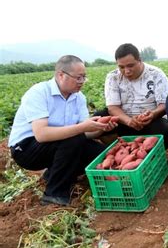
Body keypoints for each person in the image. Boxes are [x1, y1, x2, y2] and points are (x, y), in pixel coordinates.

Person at [8, 55, 117, 206]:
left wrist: (100, 129)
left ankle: (52, 173)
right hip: (26, 149)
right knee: (74, 139)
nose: (82, 82)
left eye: (84, 77)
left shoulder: (79, 97)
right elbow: (41, 135)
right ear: (61, 75)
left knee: (99, 153)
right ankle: (54, 195)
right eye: (78, 78)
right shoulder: (39, 92)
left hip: (59, 144)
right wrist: (82, 128)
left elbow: (86, 133)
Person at [99, 43, 168, 149]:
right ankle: (120, 147)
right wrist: (128, 121)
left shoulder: (156, 74)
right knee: (99, 118)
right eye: (121, 67)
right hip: (124, 122)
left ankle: (150, 150)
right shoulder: (113, 77)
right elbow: (113, 108)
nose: (127, 71)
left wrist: (153, 114)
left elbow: (164, 104)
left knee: (167, 128)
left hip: (150, 122)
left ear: (140, 60)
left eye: (130, 65)